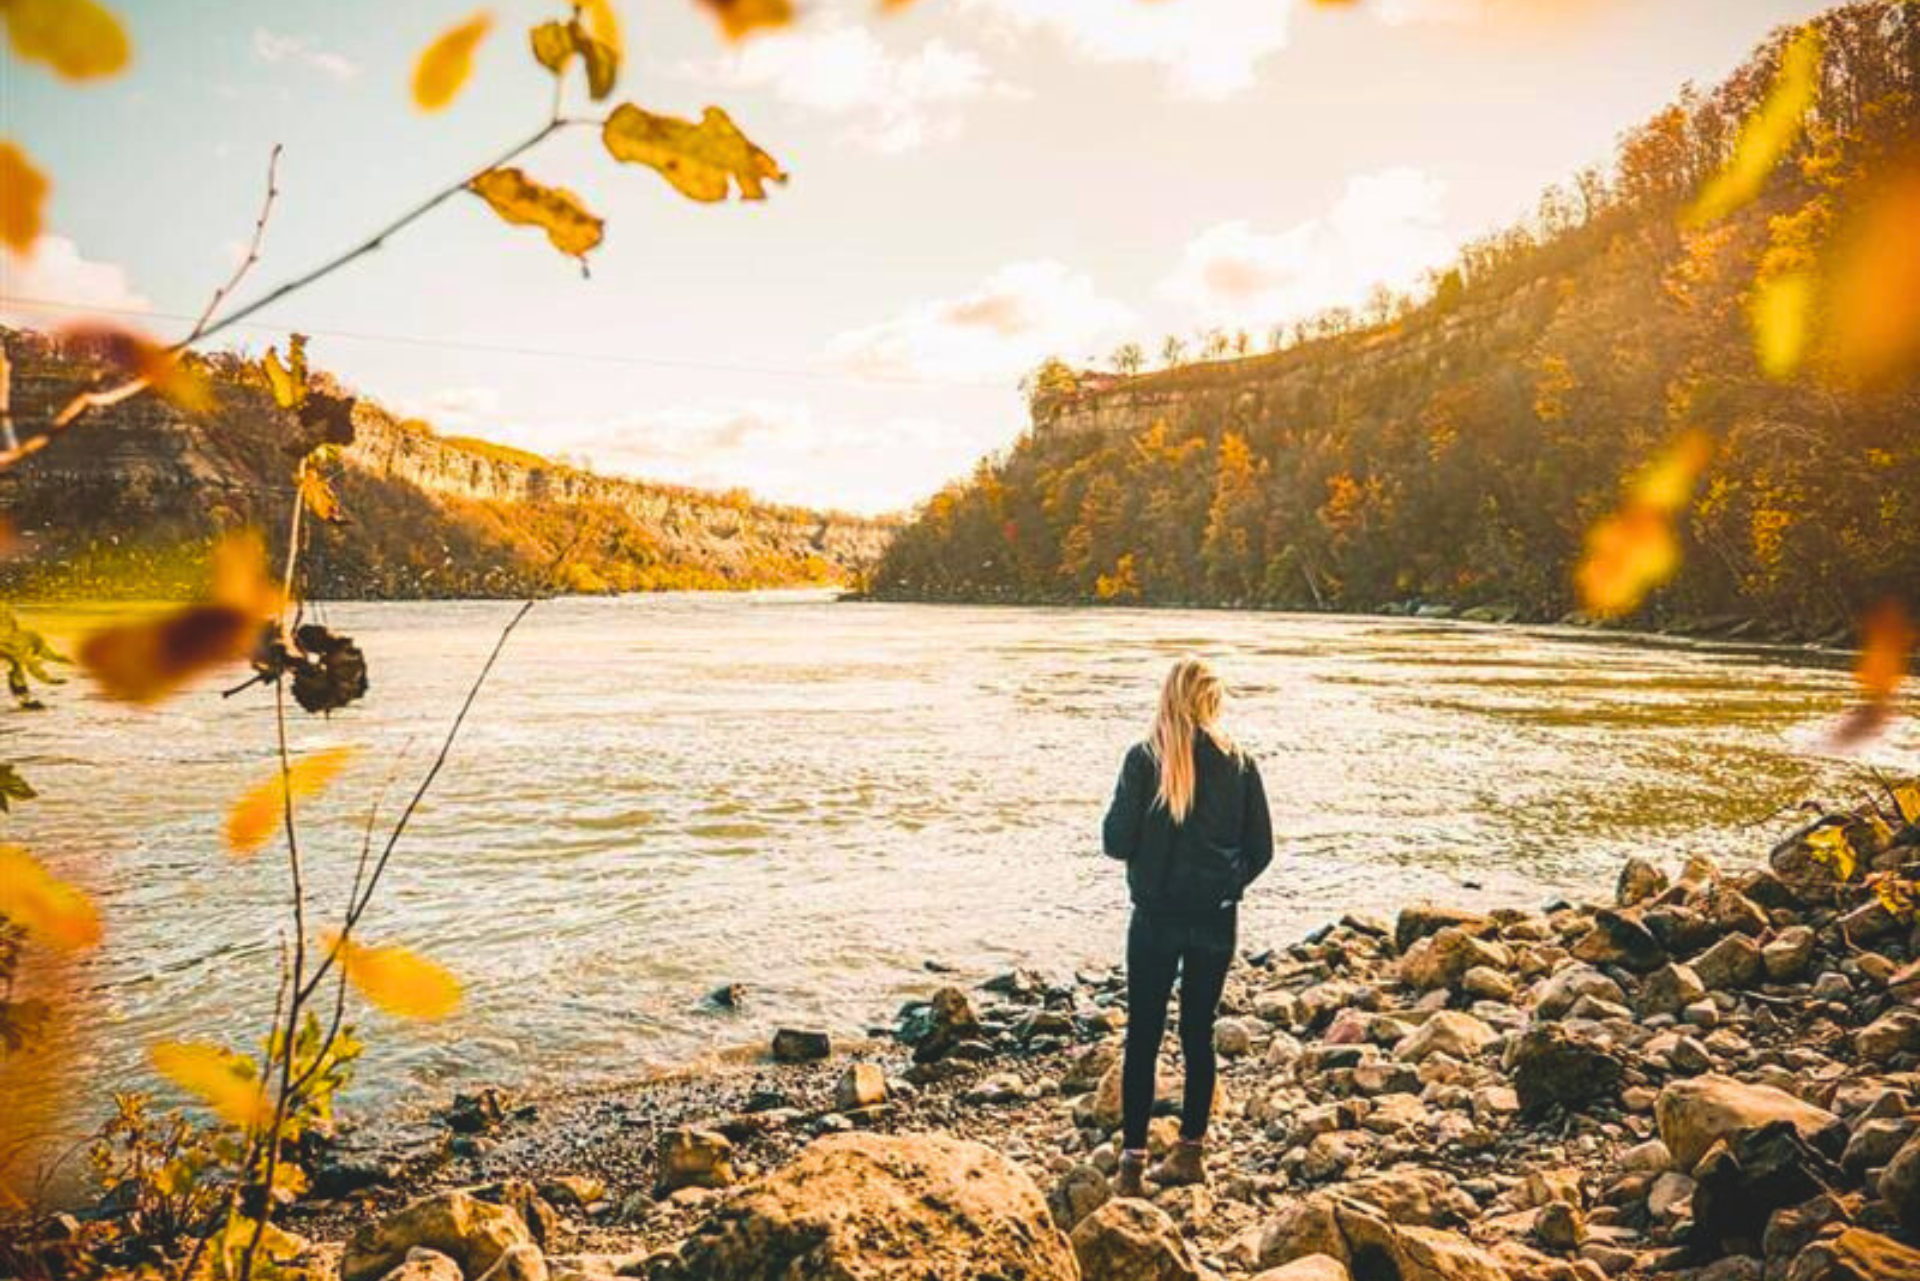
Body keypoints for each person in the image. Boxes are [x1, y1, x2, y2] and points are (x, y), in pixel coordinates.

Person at [1101, 657, 1273, 1197]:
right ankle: (1190, 1154)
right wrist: (1226, 883)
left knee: (1143, 1038)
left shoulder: (1143, 760)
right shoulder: (1239, 763)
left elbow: (1114, 843)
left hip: (1154, 920)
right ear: (1210, 702)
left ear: (1167, 698)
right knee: (1198, 1034)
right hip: (1215, 920)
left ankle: (1131, 1166)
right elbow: (1261, 849)